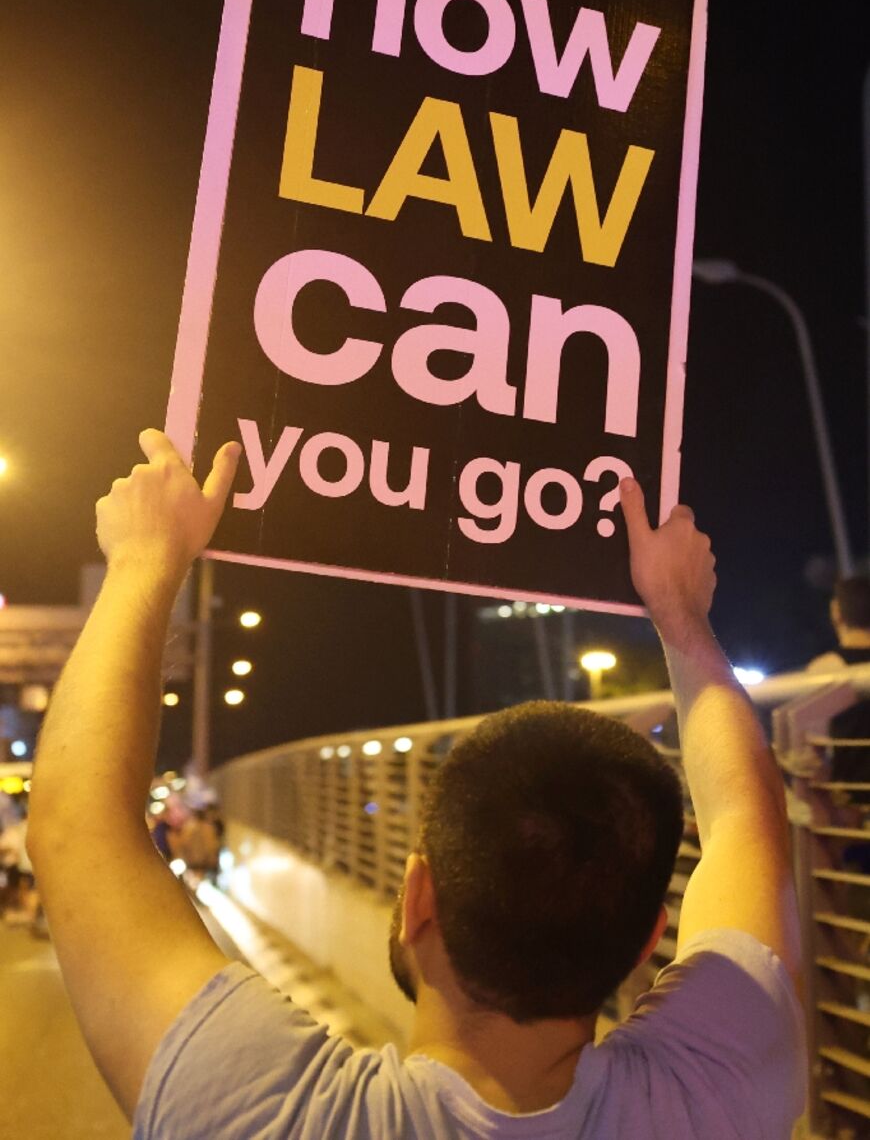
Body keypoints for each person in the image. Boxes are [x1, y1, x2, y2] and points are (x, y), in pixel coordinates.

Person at [27, 430, 806, 1138]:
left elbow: (73, 822)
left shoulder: (271, 1113)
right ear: (646, 943)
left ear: (418, 900)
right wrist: (682, 614)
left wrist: (140, 559)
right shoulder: (720, 1093)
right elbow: (746, 821)